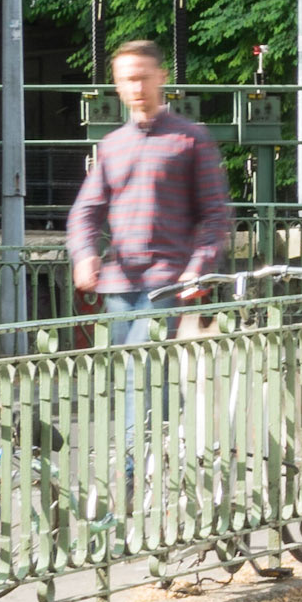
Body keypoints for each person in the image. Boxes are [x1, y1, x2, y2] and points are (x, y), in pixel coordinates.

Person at [67, 41, 232, 454]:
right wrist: (84, 253)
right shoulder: (112, 145)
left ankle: (132, 471)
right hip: (119, 283)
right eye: (127, 79)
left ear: (162, 78)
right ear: (117, 87)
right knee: (135, 375)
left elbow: (215, 216)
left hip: (168, 282)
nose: (136, 86)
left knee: (141, 373)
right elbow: (85, 212)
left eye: (143, 77)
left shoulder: (190, 138)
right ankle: (163, 460)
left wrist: (198, 266)